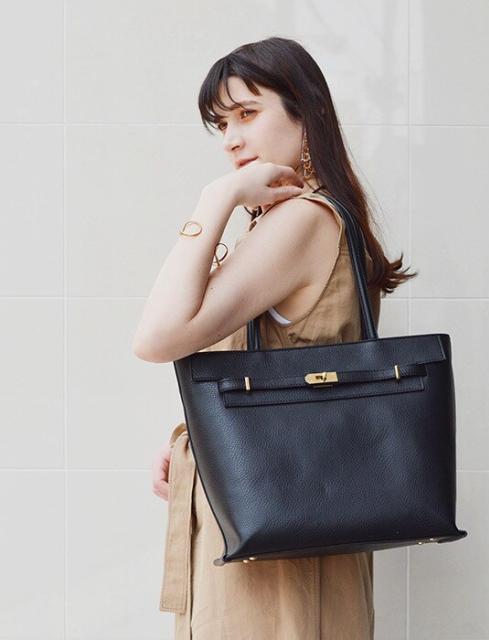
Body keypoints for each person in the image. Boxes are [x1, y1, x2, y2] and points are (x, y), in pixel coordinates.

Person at [133, 36, 416, 640]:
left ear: (306, 114)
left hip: (276, 544)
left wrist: (216, 198)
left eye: (247, 113)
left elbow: (156, 338)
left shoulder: (303, 221)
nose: (231, 139)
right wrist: (196, 438)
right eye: (222, 123)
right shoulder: (307, 218)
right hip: (274, 516)